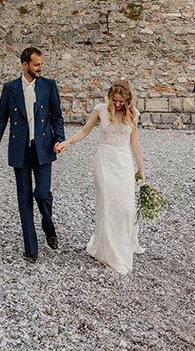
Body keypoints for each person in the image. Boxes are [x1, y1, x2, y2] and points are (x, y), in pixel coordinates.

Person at [57, 79, 146, 275]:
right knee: (107, 205)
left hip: (123, 161)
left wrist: (141, 169)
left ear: (128, 99)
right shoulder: (100, 110)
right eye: (114, 100)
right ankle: (109, 251)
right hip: (104, 161)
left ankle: (124, 243)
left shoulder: (133, 114)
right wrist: (67, 142)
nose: (117, 105)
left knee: (127, 208)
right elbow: (84, 131)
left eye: (121, 101)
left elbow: (135, 143)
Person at [0, 47, 65, 263]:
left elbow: (57, 116)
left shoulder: (49, 86)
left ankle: (48, 226)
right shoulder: (10, 88)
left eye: (41, 64)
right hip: (19, 149)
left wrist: (59, 140)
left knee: (42, 194)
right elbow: (1, 119)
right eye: (37, 64)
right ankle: (31, 248)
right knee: (24, 199)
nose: (41, 68)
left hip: (44, 148)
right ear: (25, 65)